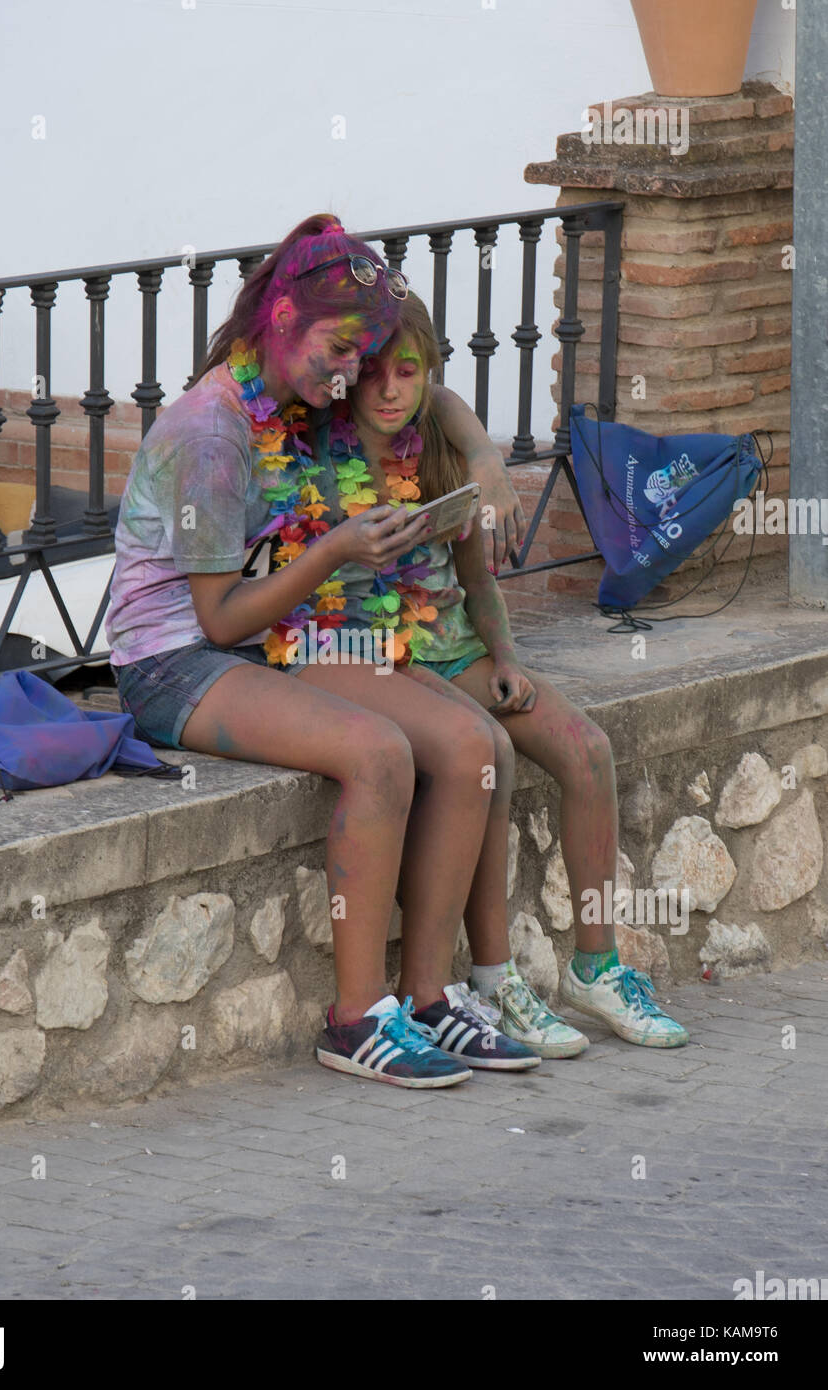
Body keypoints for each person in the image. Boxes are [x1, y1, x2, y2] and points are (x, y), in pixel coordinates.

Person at [106, 213, 538, 1089]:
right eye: (339, 351)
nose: (349, 376)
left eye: (358, 357)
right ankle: (354, 1019)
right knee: (378, 754)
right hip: (178, 663)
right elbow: (218, 621)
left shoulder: (300, 394)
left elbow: (429, 386)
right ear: (281, 324)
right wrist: (335, 550)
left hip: (279, 636)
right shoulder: (210, 434)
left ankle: (427, 1000)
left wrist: (485, 462)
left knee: (471, 747)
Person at [331, 291, 689, 1054]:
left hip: (457, 650)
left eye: (408, 371)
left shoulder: (438, 446)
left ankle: (596, 966)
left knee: (588, 751)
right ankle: (493, 981)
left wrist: (504, 659)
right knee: (485, 759)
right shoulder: (319, 456)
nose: (391, 389)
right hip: (384, 661)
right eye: (374, 375)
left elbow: (478, 583)